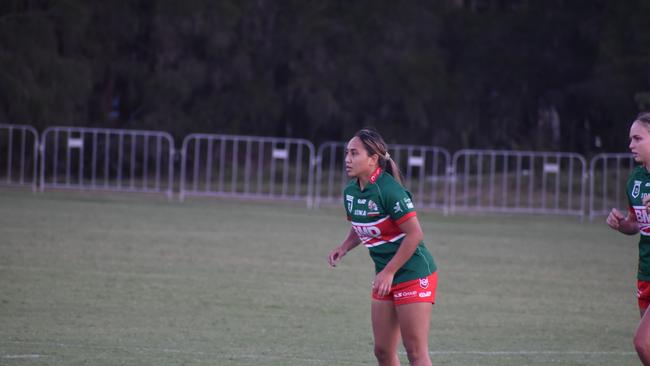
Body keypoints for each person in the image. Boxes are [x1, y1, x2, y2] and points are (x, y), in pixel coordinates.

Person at [328, 128, 437, 366]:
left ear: (373, 159)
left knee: (415, 351)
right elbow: (361, 224)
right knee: (383, 351)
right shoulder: (351, 192)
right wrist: (344, 247)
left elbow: (415, 234)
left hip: (413, 272)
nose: (347, 159)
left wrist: (389, 271)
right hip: (385, 276)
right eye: (346, 153)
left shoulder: (390, 190)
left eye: (354, 153)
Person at [607, 112, 650, 365]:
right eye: (630, 139)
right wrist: (622, 223)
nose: (630, 145)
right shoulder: (635, 180)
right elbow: (636, 224)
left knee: (642, 342)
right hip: (645, 271)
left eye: (637, 138)